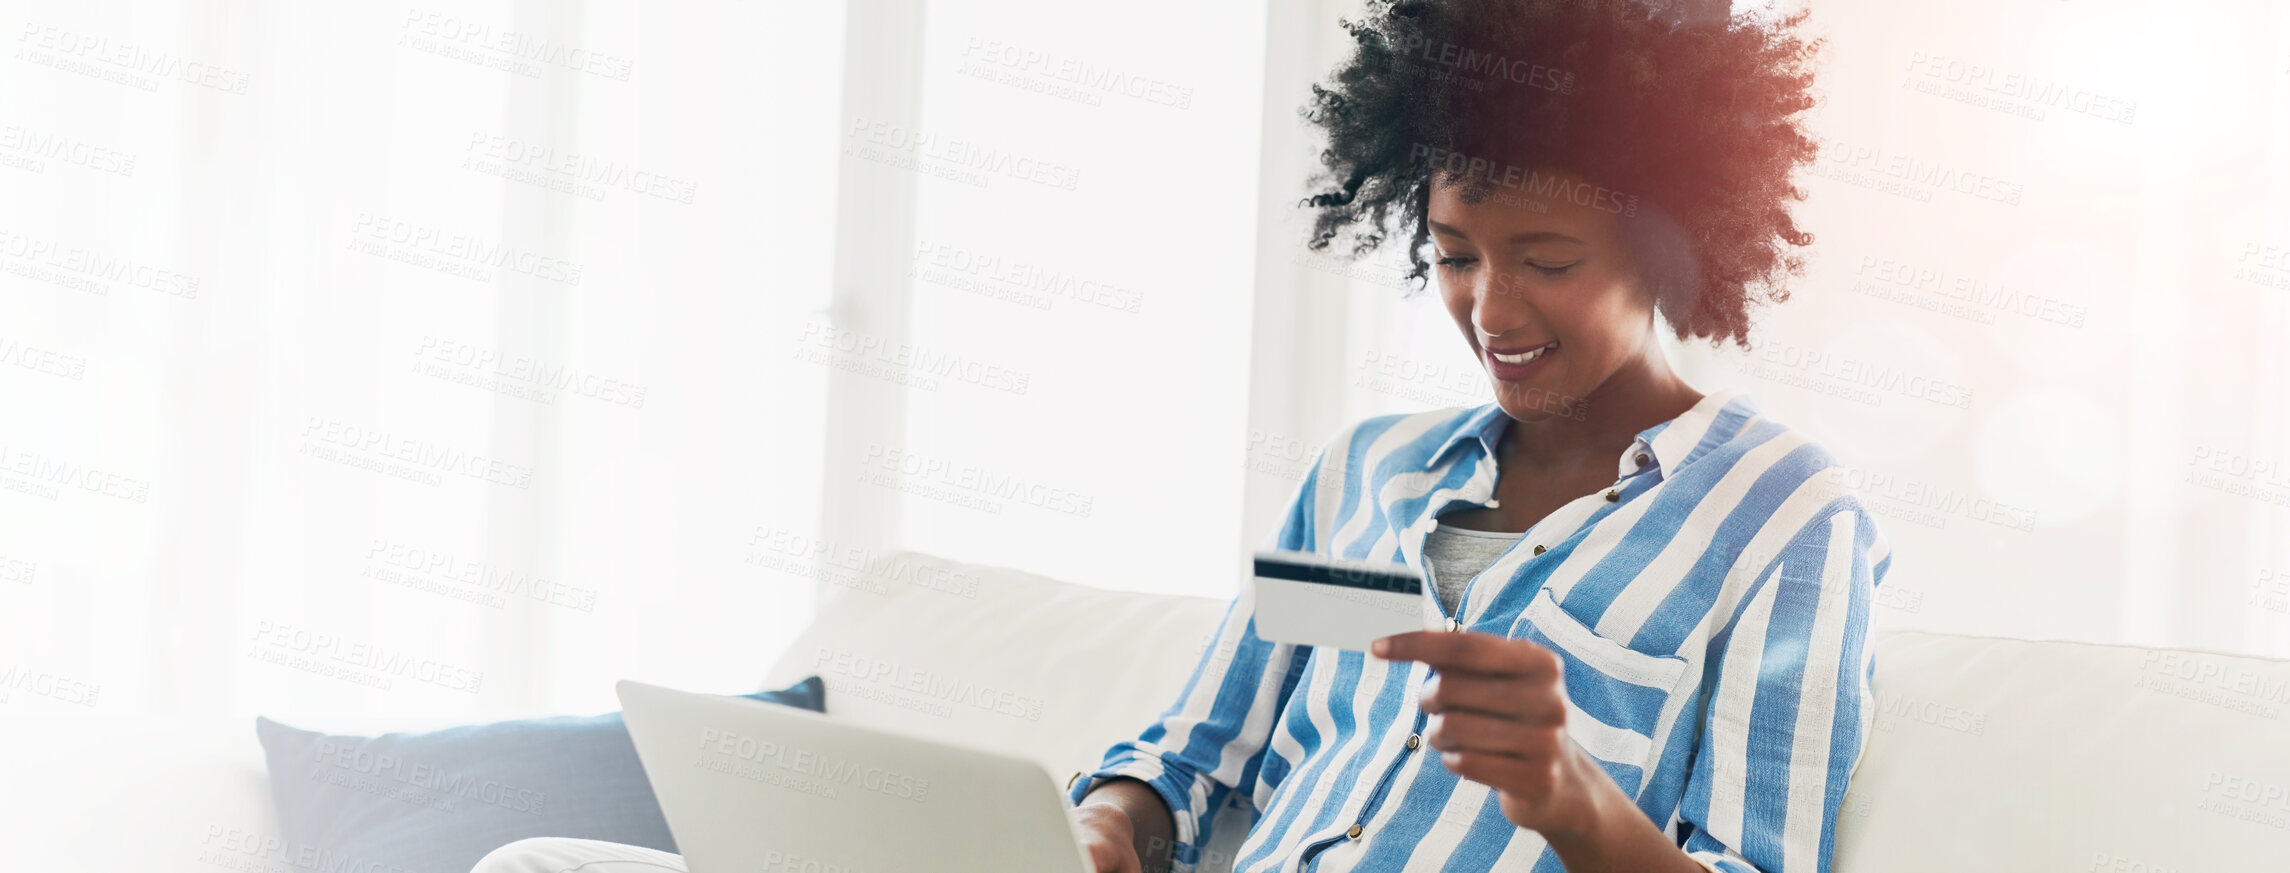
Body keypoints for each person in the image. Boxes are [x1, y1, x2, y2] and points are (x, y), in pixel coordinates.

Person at [1066, 1, 1884, 872]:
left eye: (1549, 261)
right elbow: (1190, 760)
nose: (1489, 312)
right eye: (1456, 256)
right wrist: (1108, 827)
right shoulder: (1364, 475)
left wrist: (1578, 805)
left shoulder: (1786, 517)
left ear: (1665, 252)